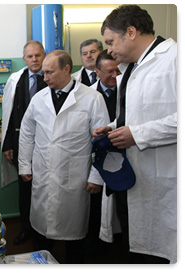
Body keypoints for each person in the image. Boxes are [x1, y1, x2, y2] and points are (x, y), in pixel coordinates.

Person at [94, 4, 177, 264]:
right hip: (134, 179)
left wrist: (137, 134)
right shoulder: (130, 68)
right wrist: (114, 125)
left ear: (130, 32)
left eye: (110, 42)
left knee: (163, 254)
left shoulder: (175, 58)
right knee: (134, 247)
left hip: (166, 179)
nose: (108, 50)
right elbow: (138, 112)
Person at [18, 50, 109, 263]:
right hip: (43, 172)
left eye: (50, 72)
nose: (45, 77)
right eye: (44, 73)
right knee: (41, 231)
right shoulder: (39, 98)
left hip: (75, 177)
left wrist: (96, 176)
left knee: (73, 235)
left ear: (67, 69)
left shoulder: (92, 98)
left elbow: (102, 141)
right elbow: (26, 132)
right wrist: (24, 165)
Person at [0, 40, 47, 245]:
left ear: (44, 55)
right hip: (22, 145)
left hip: (48, 143)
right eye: (30, 56)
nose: (34, 59)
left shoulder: (54, 76)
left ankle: (45, 231)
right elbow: (8, 114)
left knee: (46, 188)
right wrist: (9, 144)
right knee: (25, 189)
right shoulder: (15, 80)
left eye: (38, 55)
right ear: (24, 58)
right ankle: (26, 228)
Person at [84, 49, 122, 257]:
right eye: (108, 72)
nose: (114, 76)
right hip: (95, 161)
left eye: (117, 70)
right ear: (97, 72)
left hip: (123, 157)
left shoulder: (127, 92)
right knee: (96, 209)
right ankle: (94, 250)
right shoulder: (87, 96)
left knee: (119, 210)